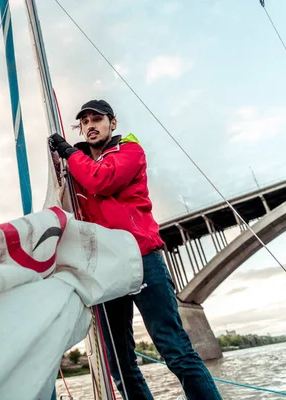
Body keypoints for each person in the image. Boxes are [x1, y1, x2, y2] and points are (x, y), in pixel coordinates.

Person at [49, 99, 222, 400]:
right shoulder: (75, 165)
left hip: (141, 258)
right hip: (105, 269)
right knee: (120, 364)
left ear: (112, 123)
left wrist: (69, 152)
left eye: (97, 119)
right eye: (85, 121)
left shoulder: (129, 151)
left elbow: (101, 180)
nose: (90, 125)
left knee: (175, 350)